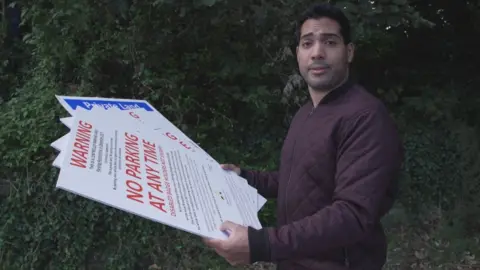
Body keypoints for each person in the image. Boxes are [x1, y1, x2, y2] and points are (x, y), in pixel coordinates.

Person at [203, 3, 404, 270]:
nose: (317, 52)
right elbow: (298, 178)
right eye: (307, 43)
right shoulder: (305, 113)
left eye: (330, 42)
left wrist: (263, 244)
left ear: (349, 52)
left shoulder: (366, 117)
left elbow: (353, 214)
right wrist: (246, 178)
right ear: (298, 53)